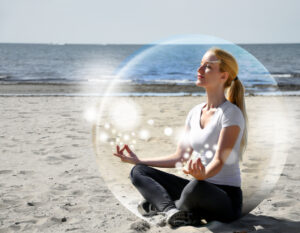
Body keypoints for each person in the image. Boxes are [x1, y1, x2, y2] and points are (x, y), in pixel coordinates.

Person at [113, 47, 248, 227]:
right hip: (198, 186)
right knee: (139, 171)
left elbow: (219, 160)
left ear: (223, 76)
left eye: (207, 67)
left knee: (195, 187)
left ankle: (161, 205)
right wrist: (139, 160)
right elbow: (180, 157)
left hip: (224, 199)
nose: (199, 70)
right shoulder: (194, 113)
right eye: (200, 65)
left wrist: (203, 174)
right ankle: (172, 211)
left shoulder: (231, 114)